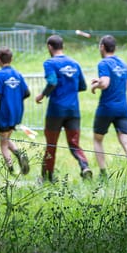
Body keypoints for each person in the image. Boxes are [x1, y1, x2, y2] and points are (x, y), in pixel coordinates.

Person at [34, 34, 92, 182]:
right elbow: (83, 86)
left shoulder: (50, 63)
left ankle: (47, 177)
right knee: (74, 143)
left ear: (49, 47)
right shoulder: (74, 63)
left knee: (51, 144)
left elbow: (52, 82)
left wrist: (42, 95)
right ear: (63, 46)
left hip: (56, 111)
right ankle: (85, 166)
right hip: (73, 110)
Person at [89, 35, 127, 179]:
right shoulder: (123, 64)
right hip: (123, 107)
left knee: (97, 139)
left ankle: (103, 173)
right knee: (126, 141)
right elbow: (126, 85)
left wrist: (95, 86)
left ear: (102, 47)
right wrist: (101, 81)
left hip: (106, 108)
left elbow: (105, 83)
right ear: (115, 48)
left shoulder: (104, 63)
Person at [0, 48, 31, 175]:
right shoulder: (18, 74)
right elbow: (27, 93)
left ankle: (11, 170)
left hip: (5, 112)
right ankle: (20, 155)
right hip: (17, 112)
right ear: (11, 59)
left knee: (3, 143)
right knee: (6, 138)